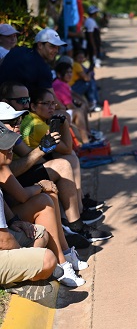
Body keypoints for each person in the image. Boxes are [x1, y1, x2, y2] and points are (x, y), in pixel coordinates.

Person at [0, 121, 87, 287]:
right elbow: (4, 239)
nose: (17, 126)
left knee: (44, 219)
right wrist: (28, 259)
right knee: (45, 255)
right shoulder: (2, 166)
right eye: (10, 123)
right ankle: (60, 263)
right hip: (4, 237)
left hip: (7, 223)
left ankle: (65, 255)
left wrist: (14, 221)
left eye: (19, 121)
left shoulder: (3, 161)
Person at [0, 28, 66, 106]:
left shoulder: (18, 50)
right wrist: (64, 109)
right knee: (64, 114)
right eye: (52, 46)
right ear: (40, 45)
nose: (56, 51)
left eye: (58, 47)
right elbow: (53, 102)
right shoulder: (43, 68)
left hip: (4, 102)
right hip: (19, 109)